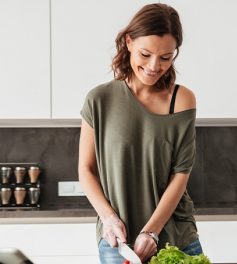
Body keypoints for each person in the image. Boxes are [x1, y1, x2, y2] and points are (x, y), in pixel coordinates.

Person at [78, 3, 202, 264]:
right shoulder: (99, 99)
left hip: (175, 235)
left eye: (166, 57)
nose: (154, 66)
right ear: (129, 42)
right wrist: (109, 219)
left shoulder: (182, 99)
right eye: (145, 54)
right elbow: (86, 169)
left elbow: (181, 174)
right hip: (118, 240)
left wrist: (152, 231)